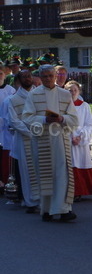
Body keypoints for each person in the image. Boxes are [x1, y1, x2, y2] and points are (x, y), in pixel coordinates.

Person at [23, 64, 78, 222]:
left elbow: (74, 118)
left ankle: (62, 209)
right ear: (40, 77)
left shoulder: (65, 94)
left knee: (62, 175)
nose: (48, 79)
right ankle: (46, 210)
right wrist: (44, 119)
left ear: (56, 76)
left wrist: (62, 118)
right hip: (42, 139)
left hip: (60, 139)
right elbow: (27, 117)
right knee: (44, 174)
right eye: (44, 76)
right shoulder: (33, 95)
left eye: (50, 75)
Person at [5, 69, 38, 212]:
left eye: (29, 76)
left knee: (41, 170)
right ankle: (30, 200)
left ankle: (44, 200)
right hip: (24, 138)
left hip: (42, 137)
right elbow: (13, 121)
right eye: (24, 76)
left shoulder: (40, 94)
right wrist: (31, 132)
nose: (27, 78)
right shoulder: (13, 99)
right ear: (19, 80)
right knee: (27, 171)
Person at [66, 80, 92, 199]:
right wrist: (70, 136)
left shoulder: (84, 106)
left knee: (79, 163)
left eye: (75, 90)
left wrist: (80, 136)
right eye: (70, 90)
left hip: (80, 140)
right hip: (67, 139)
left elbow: (89, 124)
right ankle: (69, 192)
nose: (73, 92)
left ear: (79, 91)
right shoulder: (62, 105)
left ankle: (80, 191)